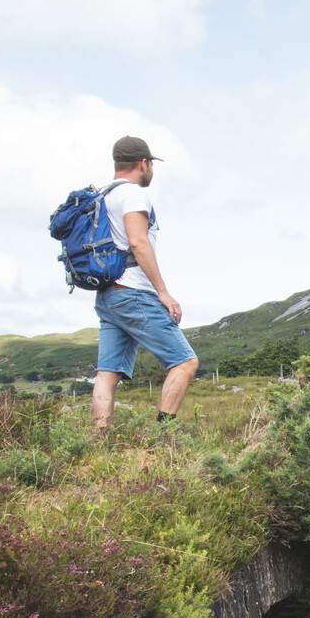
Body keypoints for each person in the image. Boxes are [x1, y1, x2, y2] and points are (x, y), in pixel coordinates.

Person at [91, 134, 198, 434]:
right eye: (151, 164)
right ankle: (163, 437)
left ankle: (99, 441)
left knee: (106, 375)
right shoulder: (133, 194)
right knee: (185, 362)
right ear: (144, 163)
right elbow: (138, 242)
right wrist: (163, 293)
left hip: (108, 296)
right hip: (133, 293)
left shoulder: (101, 197)